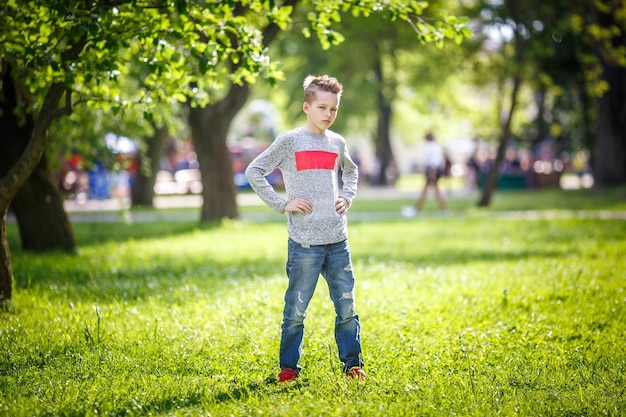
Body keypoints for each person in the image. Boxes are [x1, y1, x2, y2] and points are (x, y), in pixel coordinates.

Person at [245, 75, 365, 383]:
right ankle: (289, 368)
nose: (328, 114)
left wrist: (347, 197)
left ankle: (353, 365)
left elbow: (351, 172)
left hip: (337, 240)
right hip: (304, 244)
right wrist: (281, 203)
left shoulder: (337, 143)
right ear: (306, 107)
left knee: (346, 307)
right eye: (322, 107)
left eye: (333, 109)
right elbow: (254, 170)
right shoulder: (290, 141)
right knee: (296, 310)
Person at [409, 132, 449, 215]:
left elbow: (432, 162)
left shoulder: (431, 147)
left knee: (429, 191)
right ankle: (444, 209)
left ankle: (416, 209)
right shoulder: (436, 146)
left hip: (432, 171)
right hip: (434, 170)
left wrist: (432, 174)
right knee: (431, 191)